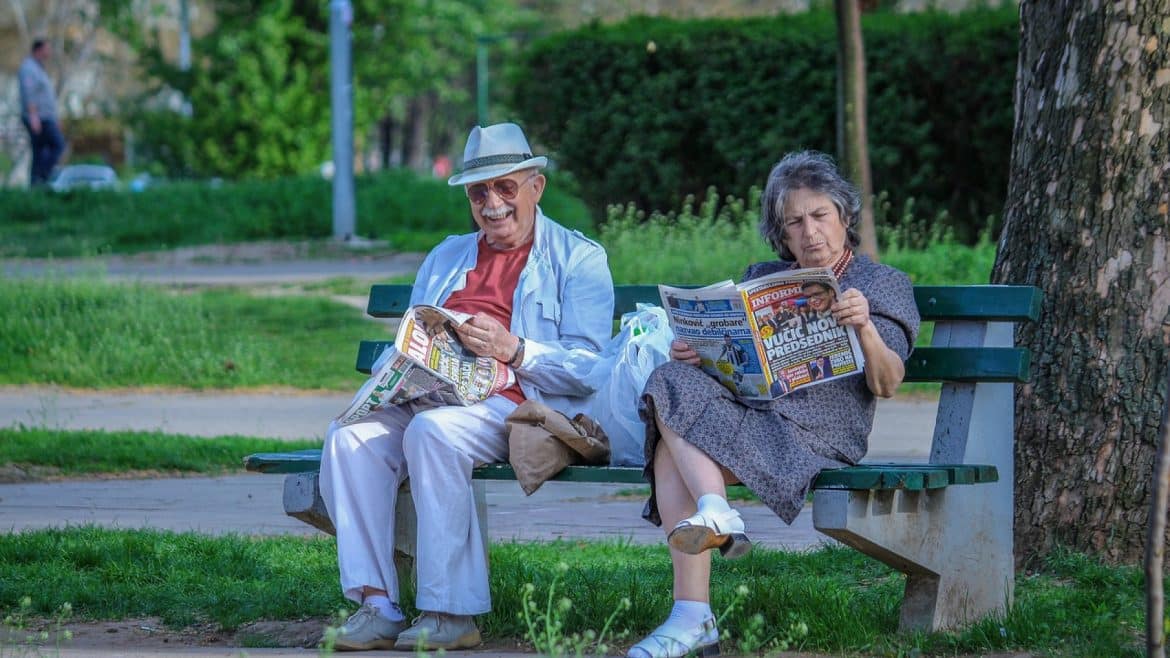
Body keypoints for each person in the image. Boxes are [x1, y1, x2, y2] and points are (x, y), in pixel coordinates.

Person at [319, 122, 614, 652]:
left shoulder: (579, 258)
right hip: (434, 396)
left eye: (506, 187)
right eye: (480, 192)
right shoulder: (446, 256)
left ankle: (451, 613)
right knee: (349, 437)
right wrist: (399, 371)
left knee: (434, 433)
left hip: (518, 406)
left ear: (535, 188)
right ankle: (377, 604)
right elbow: (413, 334)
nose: (493, 203)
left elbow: (591, 369)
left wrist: (514, 349)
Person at [628, 150, 920, 658]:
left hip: (819, 438)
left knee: (669, 449)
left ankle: (692, 614)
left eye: (819, 215)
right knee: (669, 379)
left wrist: (865, 326)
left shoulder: (880, 284)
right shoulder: (765, 277)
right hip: (755, 418)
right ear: (781, 235)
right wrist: (701, 354)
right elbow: (737, 365)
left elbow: (889, 382)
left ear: (844, 217)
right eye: (794, 223)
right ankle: (715, 518)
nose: (810, 232)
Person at [17, 39, 66, 186]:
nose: (49, 52)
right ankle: (42, 176)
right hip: (39, 118)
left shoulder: (39, 69)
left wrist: (55, 118)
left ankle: (36, 185)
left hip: (46, 117)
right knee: (58, 145)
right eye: (47, 49)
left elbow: (45, 96)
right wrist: (33, 116)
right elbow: (29, 93)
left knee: (39, 152)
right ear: (38, 50)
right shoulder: (28, 68)